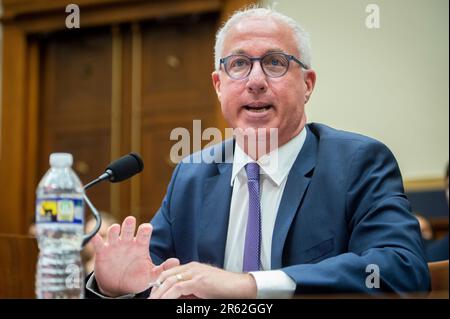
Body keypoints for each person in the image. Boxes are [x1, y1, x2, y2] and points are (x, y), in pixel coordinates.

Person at [86, 7, 430, 299]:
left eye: (275, 62)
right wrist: (113, 286)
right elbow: (153, 276)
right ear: (219, 86)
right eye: (238, 64)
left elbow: (403, 269)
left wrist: (250, 285)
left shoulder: (357, 163)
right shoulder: (192, 174)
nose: (255, 80)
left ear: (307, 84)